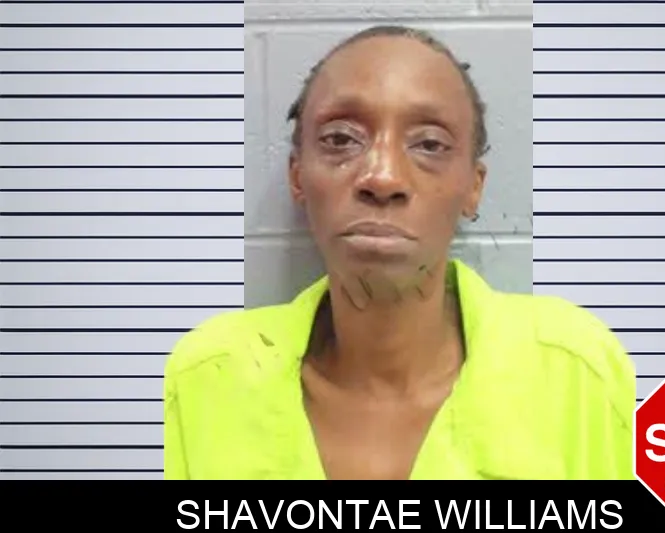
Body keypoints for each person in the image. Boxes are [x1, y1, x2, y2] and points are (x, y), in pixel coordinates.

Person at [163, 25, 636, 480]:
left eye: (429, 144)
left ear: (473, 187)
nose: (383, 176)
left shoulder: (578, 373)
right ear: (297, 176)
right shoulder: (205, 379)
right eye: (340, 139)